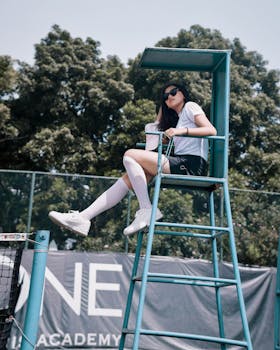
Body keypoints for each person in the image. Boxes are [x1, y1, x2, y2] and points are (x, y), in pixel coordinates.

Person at [49, 82, 217, 237]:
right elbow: (155, 127)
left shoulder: (190, 106)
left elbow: (211, 130)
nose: (169, 97)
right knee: (128, 178)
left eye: (173, 92)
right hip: (180, 162)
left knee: (130, 154)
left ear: (183, 93)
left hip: (191, 165)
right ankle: (84, 217)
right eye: (165, 97)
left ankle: (146, 209)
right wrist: (166, 124)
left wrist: (180, 132)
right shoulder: (178, 119)